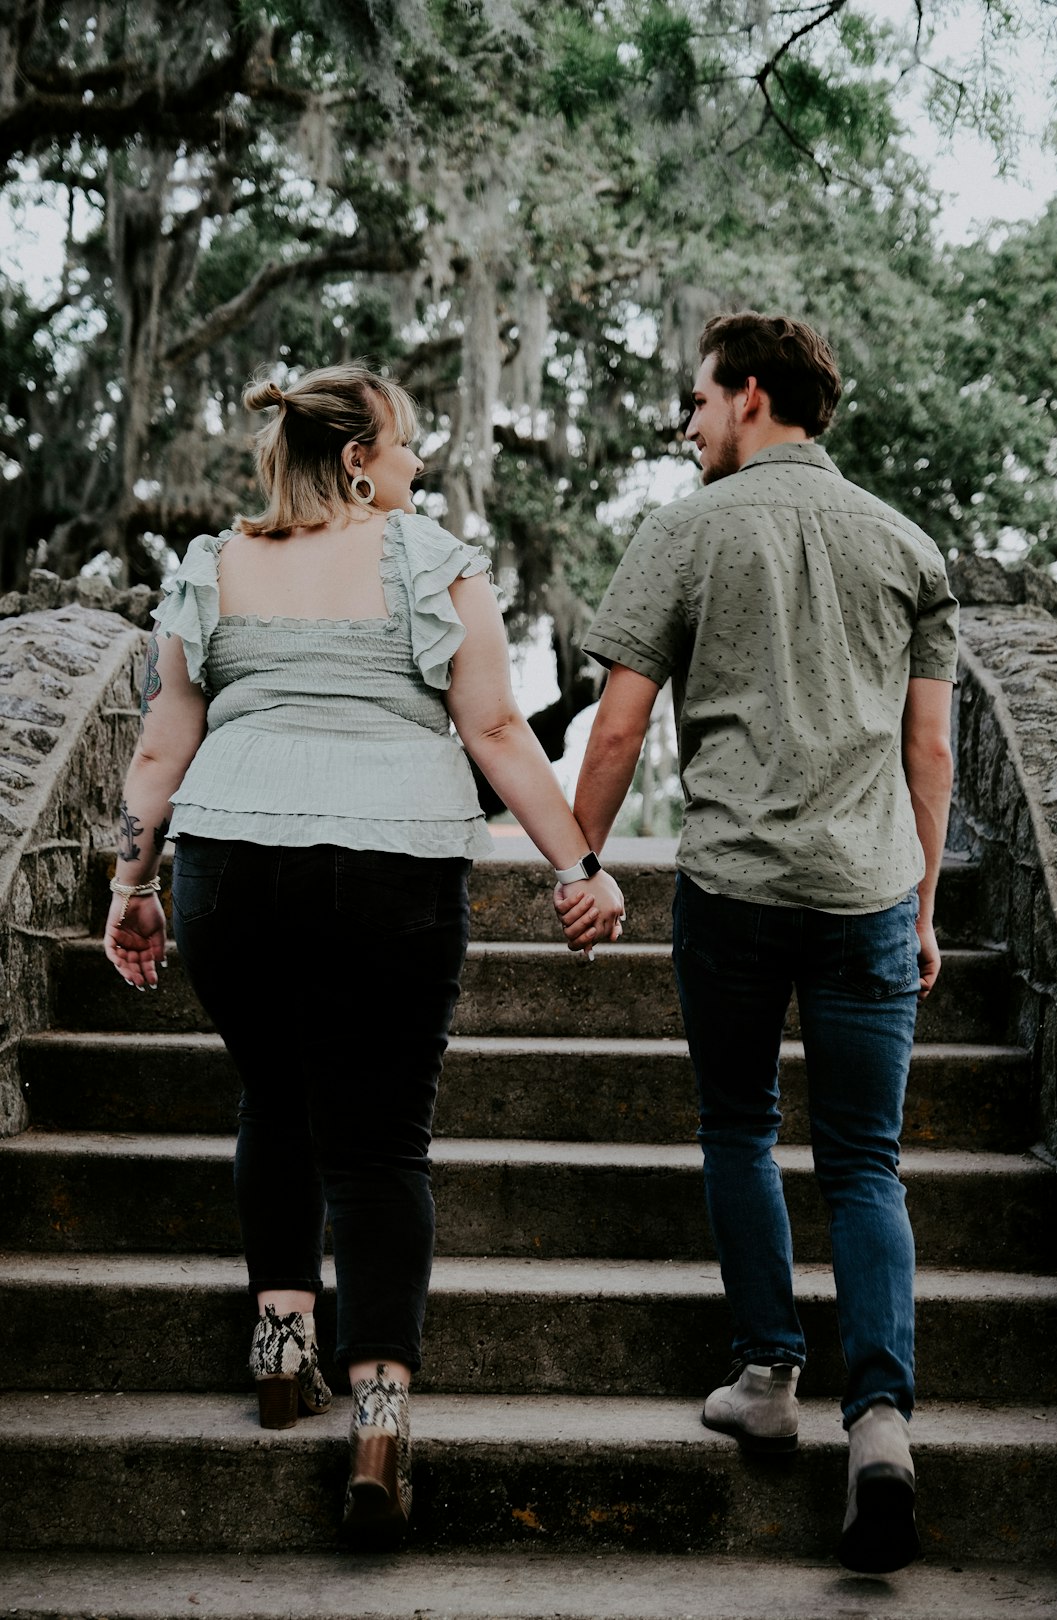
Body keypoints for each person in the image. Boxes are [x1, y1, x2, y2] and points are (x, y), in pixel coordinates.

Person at [103, 362, 624, 1540]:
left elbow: (156, 755)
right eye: (404, 447)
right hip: (388, 866)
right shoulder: (428, 558)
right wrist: (576, 865)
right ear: (356, 460)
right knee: (381, 1143)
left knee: (274, 1099)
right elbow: (492, 725)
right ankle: (381, 1413)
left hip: (229, 864)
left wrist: (132, 884)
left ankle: (282, 1343)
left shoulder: (208, 569)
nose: (419, 466)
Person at [556, 312, 957, 1574]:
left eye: (697, 402)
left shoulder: (685, 532)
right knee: (865, 1164)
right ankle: (881, 1421)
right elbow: (930, 753)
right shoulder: (905, 543)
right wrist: (926, 904)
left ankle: (769, 1374)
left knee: (737, 1125)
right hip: (868, 890)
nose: (687, 425)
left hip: (731, 887)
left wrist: (579, 864)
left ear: (752, 396)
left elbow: (614, 733)